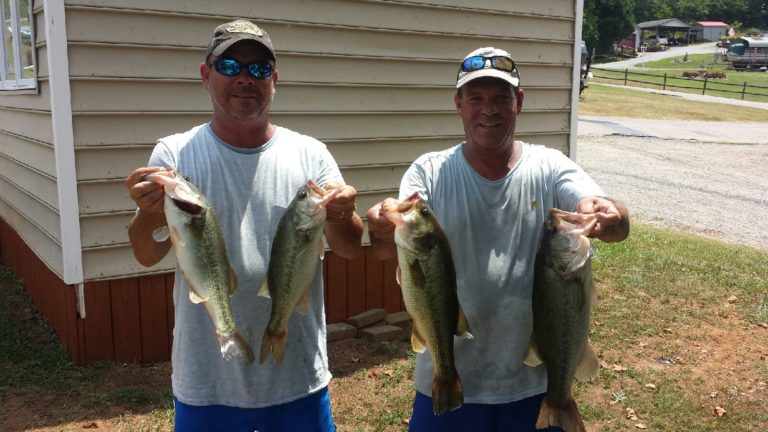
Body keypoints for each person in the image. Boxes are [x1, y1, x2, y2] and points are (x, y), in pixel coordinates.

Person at [366, 47, 630, 431]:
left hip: (534, 383)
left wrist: (611, 214)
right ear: (459, 104)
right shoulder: (429, 172)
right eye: (476, 98)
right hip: (449, 376)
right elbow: (389, 248)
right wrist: (379, 227)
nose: (488, 110)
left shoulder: (550, 166)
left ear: (518, 102)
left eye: (500, 98)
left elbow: (617, 224)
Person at [125, 19, 363, 431]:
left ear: (274, 80)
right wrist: (149, 214)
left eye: (257, 69)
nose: (245, 80)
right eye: (230, 66)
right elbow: (146, 254)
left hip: (299, 378)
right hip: (206, 382)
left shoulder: (311, 154)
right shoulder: (175, 153)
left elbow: (348, 246)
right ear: (206, 76)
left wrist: (342, 215)